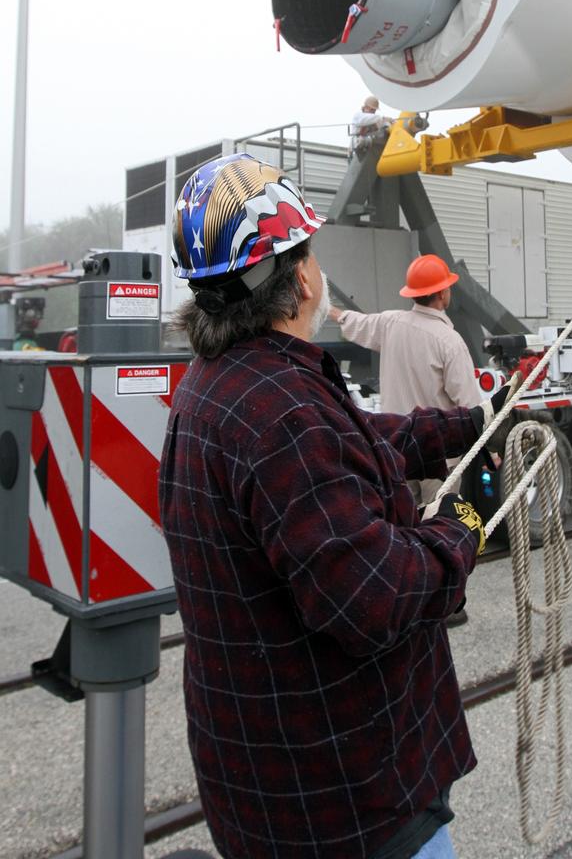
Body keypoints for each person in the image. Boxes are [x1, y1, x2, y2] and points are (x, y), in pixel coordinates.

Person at [159, 153, 515, 859]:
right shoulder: (281, 412)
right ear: (294, 282)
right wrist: (464, 523)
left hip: (266, 782)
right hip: (349, 804)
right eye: (309, 254)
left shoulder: (223, 385)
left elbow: (352, 439)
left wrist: (468, 427)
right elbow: (376, 598)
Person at [329, 255, 481, 510]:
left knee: (405, 529)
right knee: (439, 527)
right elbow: (469, 405)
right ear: (443, 293)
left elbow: (354, 322)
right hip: (438, 457)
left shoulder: (390, 324)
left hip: (397, 452)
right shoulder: (449, 342)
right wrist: (492, 451)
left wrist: (324, 307)